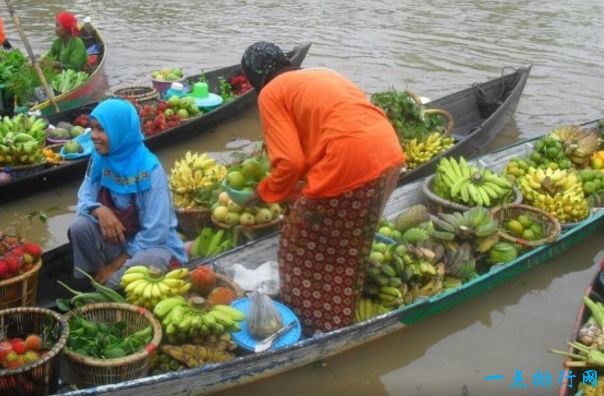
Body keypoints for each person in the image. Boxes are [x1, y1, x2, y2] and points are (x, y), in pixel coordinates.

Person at [240, 41, 405, 335]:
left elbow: (289, 162)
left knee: (298, 247)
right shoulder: (322, 74)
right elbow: (319, 137)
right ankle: (341, 319)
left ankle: (315, 326)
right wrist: (295, 190)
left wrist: (264, 194)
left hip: (350, 166)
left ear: (255, 77)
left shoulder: (271, 92)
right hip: (389, 157)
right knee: (348, 248)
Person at [68, 99, 186, 289]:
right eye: (92, 129)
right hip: (119, 241)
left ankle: (107, 281)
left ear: (120, 131)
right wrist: (99, 210)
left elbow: (155, 234)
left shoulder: (150, 170)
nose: (94, 136)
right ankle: (98, 277)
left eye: (101, 129)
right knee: (79, 228)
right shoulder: (99, 158)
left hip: (151, 247)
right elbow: (84, 198)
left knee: (118, 280)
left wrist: (115, 265)